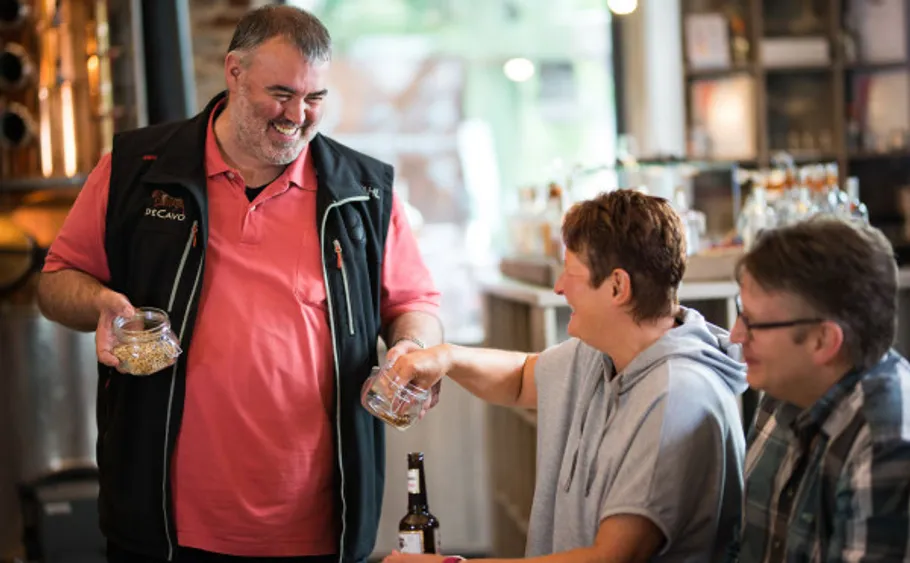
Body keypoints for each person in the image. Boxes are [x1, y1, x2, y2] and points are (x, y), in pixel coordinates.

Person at [36, 5, 442, 563]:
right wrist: (100, 304)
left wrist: (412, 347)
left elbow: (414, 302)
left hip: (318, 528)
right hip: (163, 524)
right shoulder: (137, 168)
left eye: (315, 98)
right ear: (234, 71)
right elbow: (56, 283)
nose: (297, 116)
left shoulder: (365, 191)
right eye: (281, 93)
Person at [384, 189, 748, 563]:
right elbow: (522, 380)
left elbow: (610, 559)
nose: (559, 287)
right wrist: (445, 358)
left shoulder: (676, 398)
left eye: (570, 272)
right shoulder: (604, 354)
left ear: (617, 286)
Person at [726, 218, 910, 562]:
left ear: (822, 341)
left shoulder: (886, 442)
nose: (736, 335)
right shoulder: (784, 386)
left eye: (753, 322)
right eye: (740, 312)